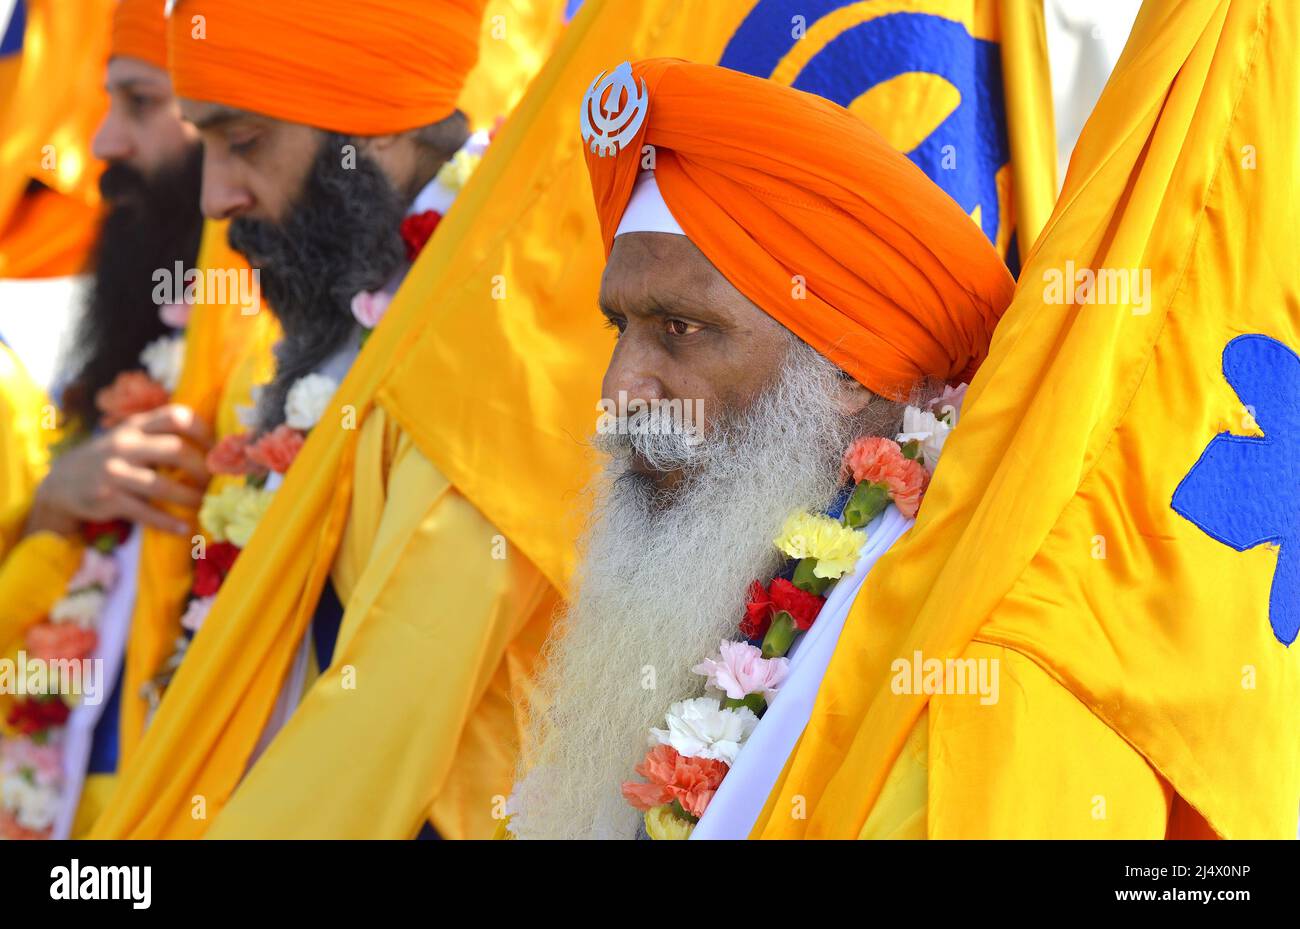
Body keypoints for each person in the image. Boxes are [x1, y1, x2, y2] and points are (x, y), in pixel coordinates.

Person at [506, 58, 1016, 839]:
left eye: (681, 328)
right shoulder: (727, 576)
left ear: (846, 368)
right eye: (620, 328)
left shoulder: (951, 644)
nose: (620, 387)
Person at [93, 0, 565, 840]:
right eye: (203, 142)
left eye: (242, 142)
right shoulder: (351, 298)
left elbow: (387, 706)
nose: (213, 198)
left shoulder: (502, 317)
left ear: (377, 130)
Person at [0, 0, 268, 840]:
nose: (103, 143)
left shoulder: (282, 369)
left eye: (141, 103)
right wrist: (50, 509)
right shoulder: (110, 354)